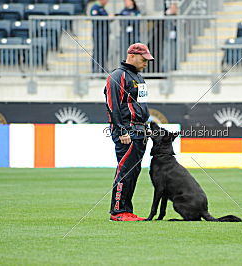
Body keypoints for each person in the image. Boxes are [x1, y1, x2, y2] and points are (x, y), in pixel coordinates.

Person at [104, 43, 154, 221]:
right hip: (128, 133)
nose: (146, 63)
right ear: (132, 56)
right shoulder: (117, 76)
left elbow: (142, 106)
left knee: (133, 172)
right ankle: (117, 211)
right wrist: (121, 130)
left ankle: (126, 210)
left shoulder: (139, 78)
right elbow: (112, 106)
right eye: (144, 59)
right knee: (125, 171)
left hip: (140, 131)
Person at [90, 0, 110, 73]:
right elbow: (95, 20)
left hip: (105, 34)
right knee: (98, 52)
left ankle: (102, 70)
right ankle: (95, 71)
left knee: (104, 52)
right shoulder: (95, 7)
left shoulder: (102, 8)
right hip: (98, 34)